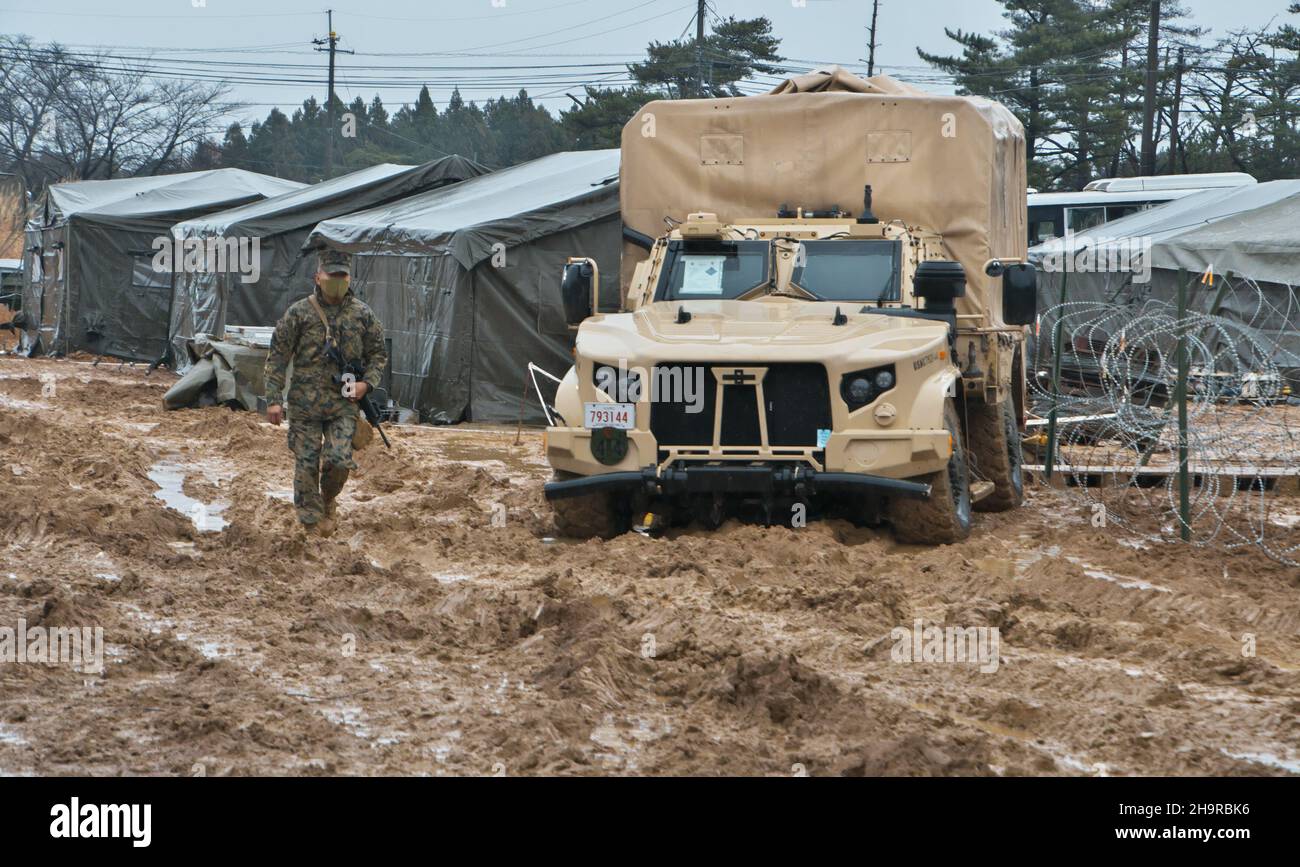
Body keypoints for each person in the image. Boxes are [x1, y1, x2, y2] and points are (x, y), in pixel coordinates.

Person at [263, 249, 387, 536]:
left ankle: (328, 500)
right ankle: (311, 524)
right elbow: (278, 357)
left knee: (339, 460)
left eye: (342, 276)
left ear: (349, 278)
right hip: (304, 406)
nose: (337, 281)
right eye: (331, 275)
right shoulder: (299, 313)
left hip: (343, 404)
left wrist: (366, 384)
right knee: (305, 464)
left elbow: (378, 354)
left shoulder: (362, 314)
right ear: (318, 277)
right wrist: (274, 400)